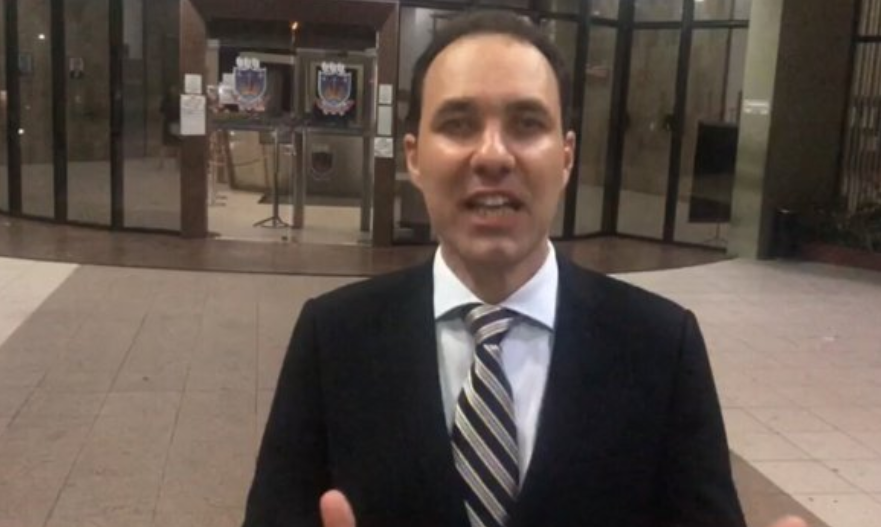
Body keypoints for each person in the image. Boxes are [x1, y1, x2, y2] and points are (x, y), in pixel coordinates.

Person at [243, 11, 808, 527]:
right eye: (458, 124)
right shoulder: (334, 338)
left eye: (527, 123)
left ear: (565, 157)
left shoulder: (661, 346)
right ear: (414, 156)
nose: (493, 155)